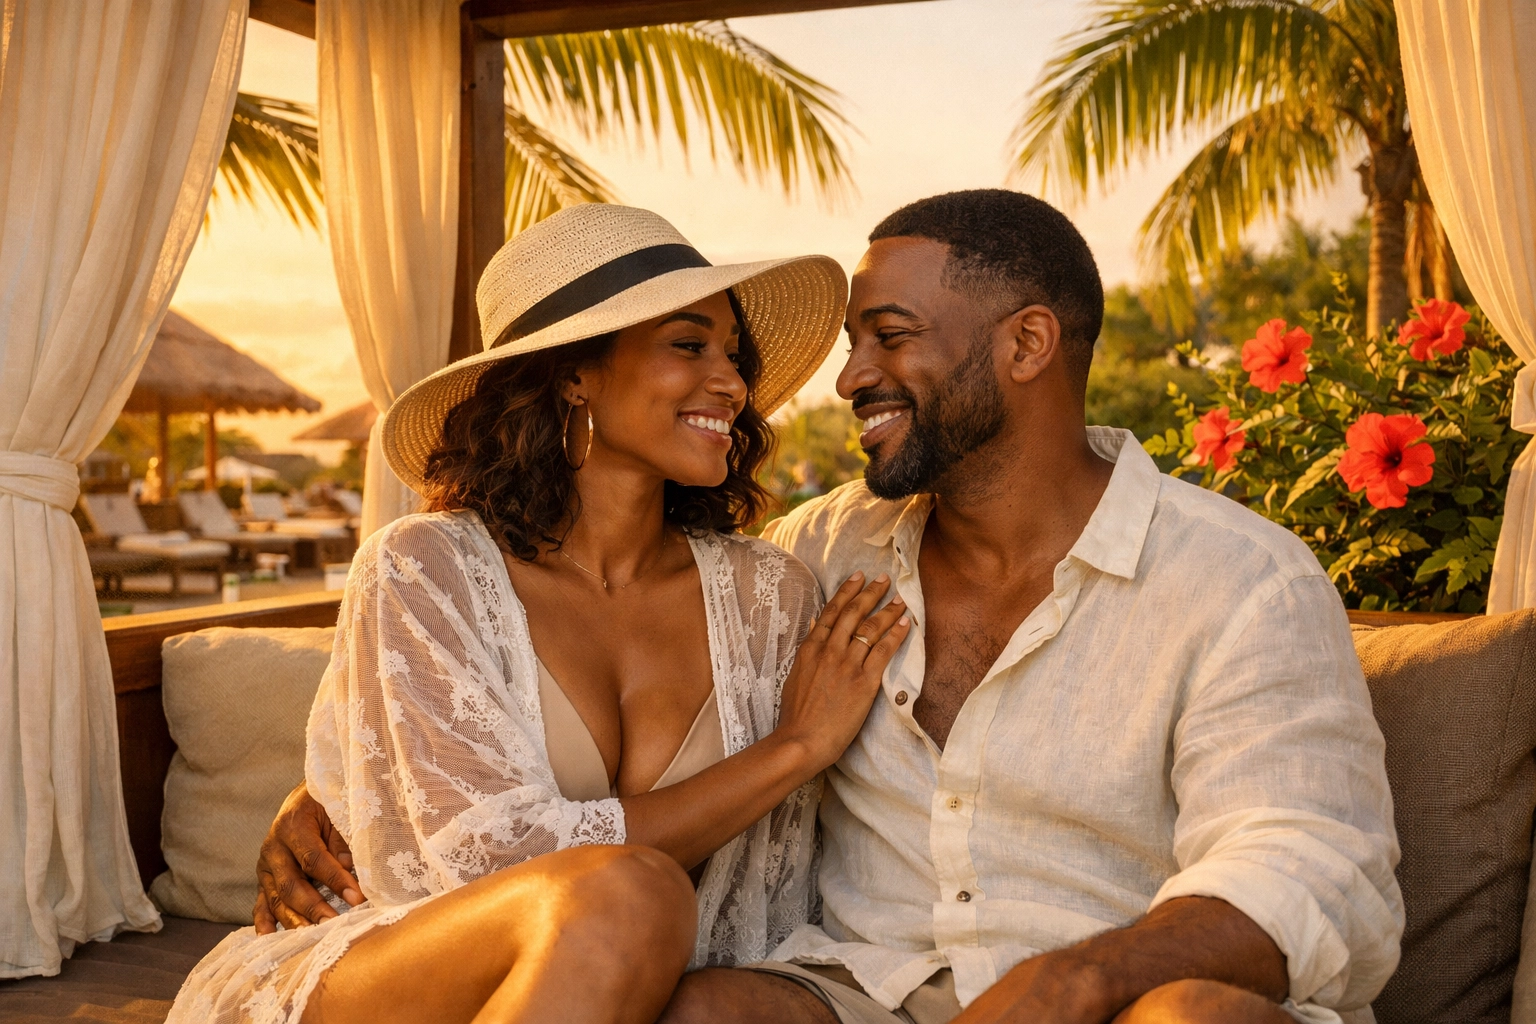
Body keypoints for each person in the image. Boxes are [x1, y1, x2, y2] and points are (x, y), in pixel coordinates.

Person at [659, 190, 1403, 1024]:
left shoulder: (1242, 581)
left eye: (891, 336)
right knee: (709, 1010)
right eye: (854, 342)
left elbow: (1313, 871)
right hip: (876, 994)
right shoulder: (822, 554)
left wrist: (1078, 980)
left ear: (1027, 343)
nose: (851, 377)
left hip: (1124, 998)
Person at [167, 204, 912, 1024]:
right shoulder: (424, 568)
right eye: (689, 344)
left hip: (630, 998)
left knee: (635, 903)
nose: (732, 383)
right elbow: (502, 868)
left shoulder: (772, 593)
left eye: (734, 354)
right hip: (409, 976)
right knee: (628, 892)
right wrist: (795, 749)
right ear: (573, 373)